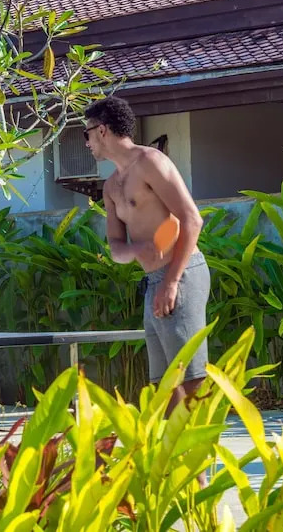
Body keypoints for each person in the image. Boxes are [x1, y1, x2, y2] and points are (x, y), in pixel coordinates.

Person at [83, 96, 208, 412]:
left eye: (87, 134)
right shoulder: (111, 186)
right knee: (162, 383)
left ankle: (201, 444)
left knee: (189, 375)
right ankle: (169, 444)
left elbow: (192, 219)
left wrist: (172, 281)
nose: (86, 143)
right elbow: (116, 249)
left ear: (102, 130)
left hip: (181, 274)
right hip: (153, 281)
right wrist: (138, 249)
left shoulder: (151, 162)